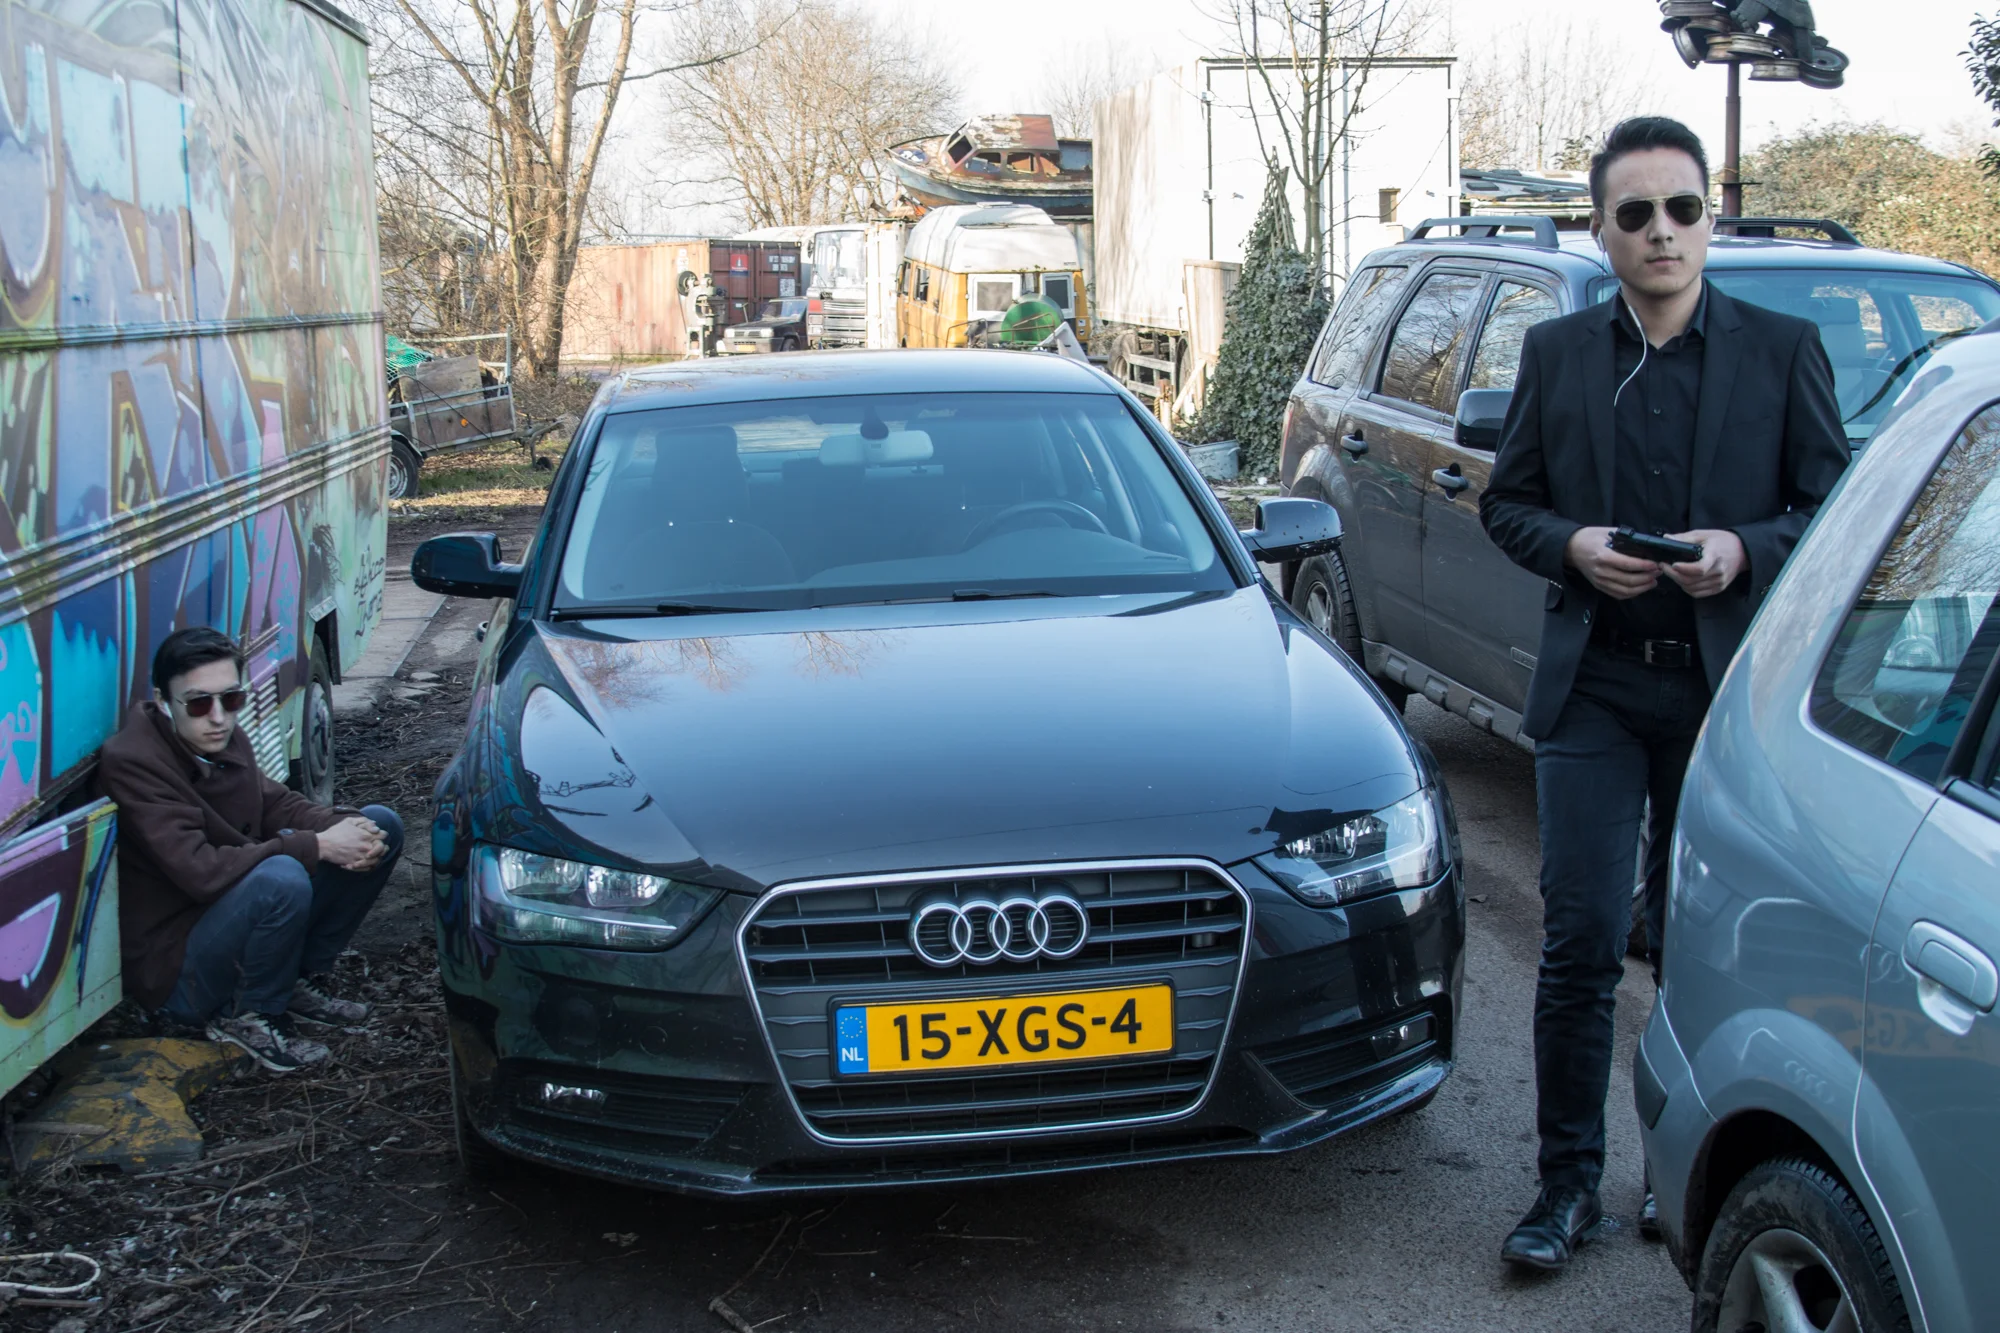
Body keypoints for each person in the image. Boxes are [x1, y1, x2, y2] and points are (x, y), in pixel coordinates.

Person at [1479, 116, 1849, 1272]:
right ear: (1599, 229)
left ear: (1707, 218)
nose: (1659, 231)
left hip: (1720, 696)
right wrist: (1571, 544)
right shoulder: (1555, 355)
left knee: (1693, 950)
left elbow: (1828, 510)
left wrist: (1742, 548)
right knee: (1581, 938)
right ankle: (1563, 1187)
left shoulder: (1780, 350)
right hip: (1591, 686)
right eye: (1632, 213)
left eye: (1680, 209)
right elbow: (1506, 504)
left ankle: (1672, 1177)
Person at [99, 627, 403, 1073]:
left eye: (232, 699)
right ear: (164, 701)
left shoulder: (221, 735)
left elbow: (275, 804)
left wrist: (348, 827)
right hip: (179, 965)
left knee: (382, 824)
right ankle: (251, 1014)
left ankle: (294, 980)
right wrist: (317, 845)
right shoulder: (134, 761)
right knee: (283, 876)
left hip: (226, 922)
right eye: (199, 703)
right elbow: (199, 871)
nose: (219, 717)